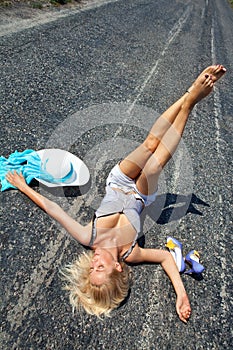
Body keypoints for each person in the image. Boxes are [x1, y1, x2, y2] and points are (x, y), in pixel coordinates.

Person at [6, 64, 226, 323]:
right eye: (100, 267)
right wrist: (181, 294)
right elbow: (166, 257)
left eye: (91, 268)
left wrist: (22, 186)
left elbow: (54, 209)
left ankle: (190, 93)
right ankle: (189, 104)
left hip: (119, 180)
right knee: (153, 167)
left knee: (150, 144)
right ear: (117, 268)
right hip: (141, 195)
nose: (94, 261)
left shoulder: (89, 236)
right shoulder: (132, 253)